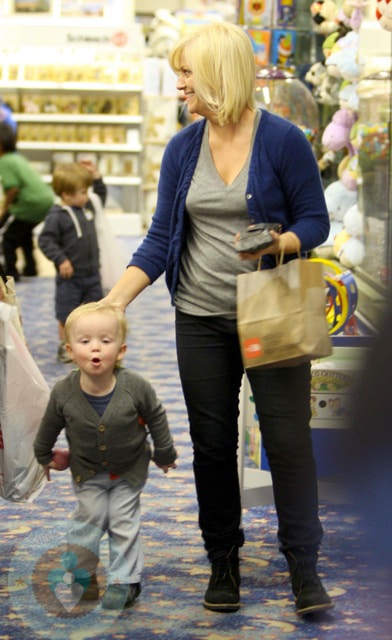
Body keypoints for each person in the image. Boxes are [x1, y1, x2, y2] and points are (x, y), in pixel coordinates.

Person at [103, 22, 332, 616]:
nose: (180, 85)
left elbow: (316, 221)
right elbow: (160, 238)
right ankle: (223, 559)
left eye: (187, 74)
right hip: (200, 318)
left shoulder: (283, 141)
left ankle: (304, 566)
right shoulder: (183, 148)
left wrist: (281, 242)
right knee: (211, 445)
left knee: (287, 443)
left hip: (273, 311)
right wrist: (113, 302)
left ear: (218, 76)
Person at [33, 301, 177, 610]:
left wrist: (164, 453)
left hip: (129, 470)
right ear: (70, 350)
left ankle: (125, 581)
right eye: (85, 342)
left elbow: (157, 417)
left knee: (123, 521)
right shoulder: (63, 392)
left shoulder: (135, 387)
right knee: (89, 521)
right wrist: (44, 454)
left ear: (121, 350)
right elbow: (50, 424)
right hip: (86, 471)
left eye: (105, 341)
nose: (95, 348)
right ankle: (83, 576)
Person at [38, 160, 106, 363]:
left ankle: (93, 346)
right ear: (66, 195)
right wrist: (61, 260)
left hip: (92, 274)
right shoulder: (56, 216)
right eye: (83, 192)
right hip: (70, 278)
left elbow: (101, 197)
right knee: (66, 313)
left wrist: (97, 177)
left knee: (96, 311)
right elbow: (45, 240)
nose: (88, 196)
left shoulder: (87, 207)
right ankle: (65, 346)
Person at [0, 122, 55, 280]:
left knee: (6, 237)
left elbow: (13, 188)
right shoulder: (17, 158)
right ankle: (30, 268)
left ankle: (10, 273)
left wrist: (5, 209)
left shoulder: (4, 161)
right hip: (44, 202)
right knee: (24, 234)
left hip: (29, 204)